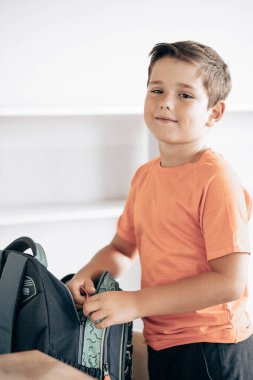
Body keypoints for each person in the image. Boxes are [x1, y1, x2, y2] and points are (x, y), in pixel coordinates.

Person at [67, 41, 253, 379]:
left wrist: (136, 303)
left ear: (214, 112)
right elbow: (122, 248)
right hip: (162, 340)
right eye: (157, 89)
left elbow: (230, 281)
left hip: (211, 346)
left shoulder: (216, 178)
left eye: (185, 95)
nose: (165, 102)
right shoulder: (145, 175)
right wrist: (86, 274)